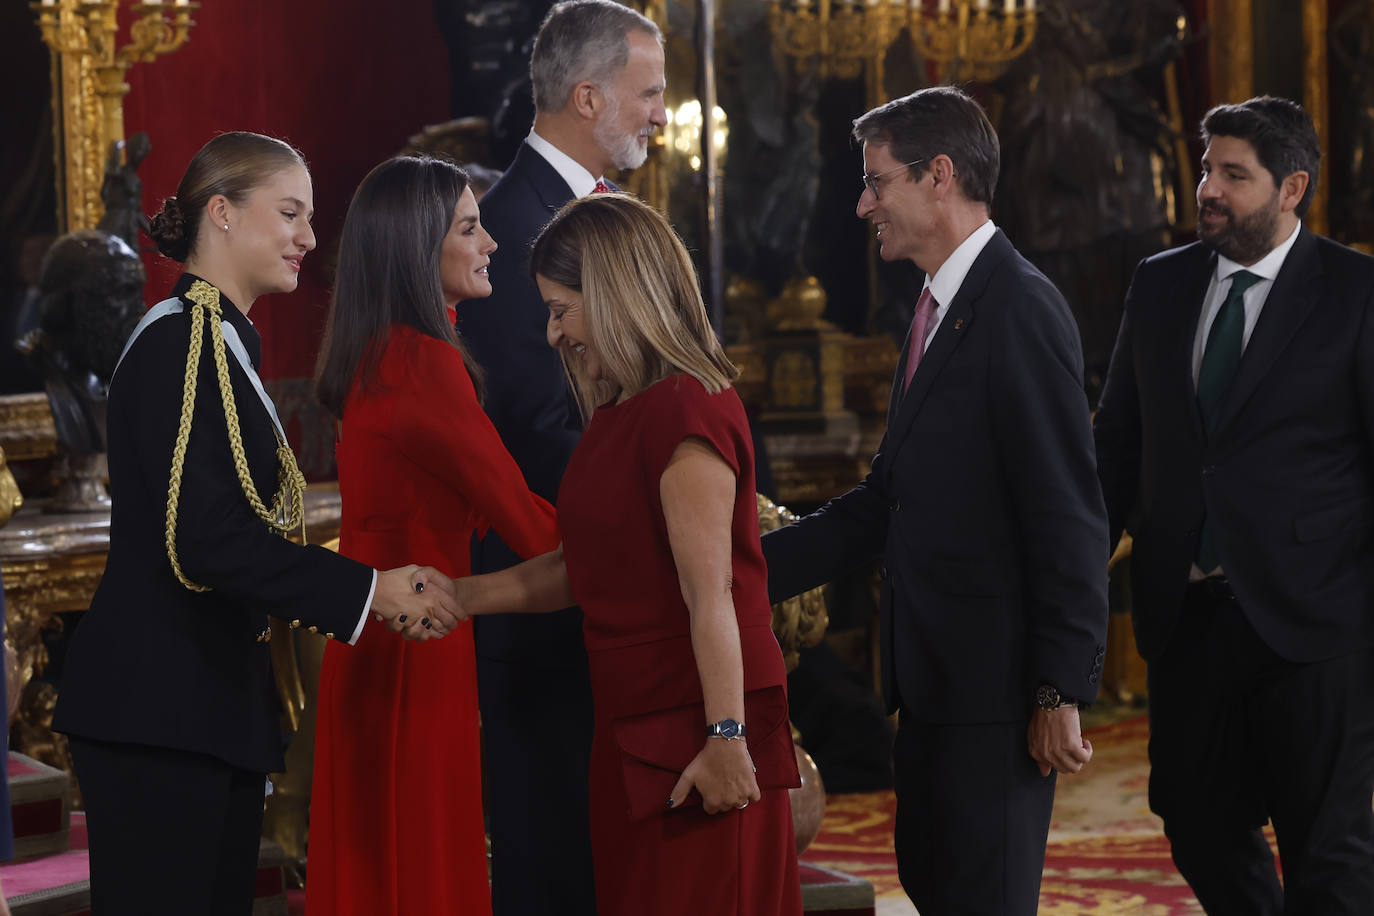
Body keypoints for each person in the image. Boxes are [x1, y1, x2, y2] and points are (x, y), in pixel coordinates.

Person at [51, 132, 457, 916]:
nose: (308, 237)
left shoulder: (216, 338)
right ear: (223, 214)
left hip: (192, 708)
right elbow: (206, 541)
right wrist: (368, 590)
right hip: (162, 713)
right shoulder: (185, 340)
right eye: (290, 213)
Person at [761, 87, 1110, 915]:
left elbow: (1067, 514)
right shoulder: (935, 307)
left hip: (996, 697)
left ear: (939, 176)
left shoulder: (1017, 308)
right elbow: (890, 500)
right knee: (937, 884)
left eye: (877, 181)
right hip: (935, 689)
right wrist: (743, 568)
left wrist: (1060, 691)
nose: (863, 203)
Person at [450, 193, 801, 916]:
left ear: (614, 294)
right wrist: (458, 597)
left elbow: (714, 596)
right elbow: (583, 570)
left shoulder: (684, 409)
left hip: (698, 733)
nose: (552, 334)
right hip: (631, 731)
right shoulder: (619, 414)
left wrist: (727, 736)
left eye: (560, 309)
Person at [1094, 96, 1374, 914]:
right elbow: (1118, 445)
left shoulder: (1357, 291)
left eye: (1233, 175)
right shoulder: (1160, 283)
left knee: (1327, 848)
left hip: (1316, 621)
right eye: (1209, 167)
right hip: (1187, 617)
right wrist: (1072, 576)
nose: (1207, 188)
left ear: (1292, 189)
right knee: (1195, 820)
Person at [306, 156, 560, 915]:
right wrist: (636, 526)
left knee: (385, 862)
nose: (489, 245)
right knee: (419, 864)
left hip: (382, 637)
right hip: (417, 640)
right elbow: (523, 519)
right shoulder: (423, 361)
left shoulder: (380, 349)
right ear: (420, 247)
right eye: (469, 228)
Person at [458, 2, 666, 912]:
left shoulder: (611, 215)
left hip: (613, 604)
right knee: (557, 869)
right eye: (650, 92)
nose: (663, 112)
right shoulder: (507, 231)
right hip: (550, 612)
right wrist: (673, 502)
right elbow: (539, 425)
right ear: (589, 96)